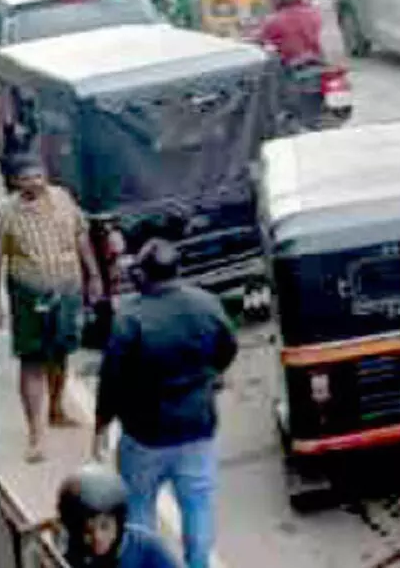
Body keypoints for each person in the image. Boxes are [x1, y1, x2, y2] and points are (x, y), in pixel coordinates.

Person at [94, 240, 238, 568]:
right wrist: (209, 376)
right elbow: (228, 346)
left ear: (143, 275)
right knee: (198, 507)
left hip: (146, 436)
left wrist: (101, 425)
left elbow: (112, 378)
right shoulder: (206, 304)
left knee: (138, 513)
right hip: (197, 429)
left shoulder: (130, 318)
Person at [0, 154, 100, 463]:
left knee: (61, 352)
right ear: (15, 182)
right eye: (27, 178)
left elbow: (81, 237)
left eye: (39, 175)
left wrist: (94, 277)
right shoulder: (5, 213)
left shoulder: (63, 198)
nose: (35, 182)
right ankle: (36, 434)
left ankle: (56, 408)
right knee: (33, 360)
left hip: (67, 289)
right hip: (28, 296)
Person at [56, 464, 183, 568]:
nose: (98, 537)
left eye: (105, 526)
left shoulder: (148, 548)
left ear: (119, 522)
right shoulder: (71, 550)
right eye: (87, 531)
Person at [258, 0, 322, 67]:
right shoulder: (314, 12)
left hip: (292, 69)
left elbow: (261, 41)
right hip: (318, 61)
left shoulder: (274, 21)